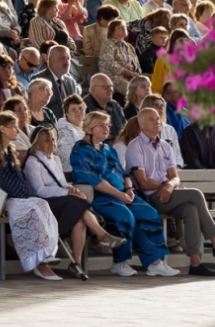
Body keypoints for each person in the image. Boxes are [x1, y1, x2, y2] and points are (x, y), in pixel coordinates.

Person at [71, 110, 174, 277]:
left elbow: (124, 173)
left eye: (108, 125)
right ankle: (120, 262)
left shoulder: (107, 149)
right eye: (102, 125)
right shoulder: (80, 149)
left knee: (148, 212)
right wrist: (119, 195)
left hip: (122, 193)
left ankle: (155, 262)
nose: (107, 128)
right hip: (100, 197)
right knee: (125, 216)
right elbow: (92, 178)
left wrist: (129, 189)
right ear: (89, 127)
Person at [123, 105, 215, 277]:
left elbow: (175, 177)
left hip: (168, 194)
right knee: (196, 194)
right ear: (141, 124)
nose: (157, 122)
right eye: (151, 120)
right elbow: (143, 183)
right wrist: (165, 186)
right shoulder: (134, 146)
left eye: (158, 119)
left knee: (191, 209)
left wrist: (169, 185)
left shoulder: (165, 146)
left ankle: (195, 263)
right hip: (150, 198)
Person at [24, 124, 121, 281]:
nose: (52, 143)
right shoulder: (32, 162)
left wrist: (71, 189)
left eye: (53, 140)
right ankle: (102, 234)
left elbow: (62, 183)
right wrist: (66, 192)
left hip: (63, 199)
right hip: (45, 202)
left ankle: (75, 263)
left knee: (80, 220)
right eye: (46, 140)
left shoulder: (55, 159)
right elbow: (39, 190)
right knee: (78, 204)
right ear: (36, 143)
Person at [0, 111, 63, 280]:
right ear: (2, 129)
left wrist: (27, 195)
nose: (18, 130)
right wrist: (24, 196)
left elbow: (18, 178)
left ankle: (47, 252)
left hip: (18, 196)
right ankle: (39, 257)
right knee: (37, 205)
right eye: (14, 127)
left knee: (42, 204)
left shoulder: (10, 150)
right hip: (4, 199)